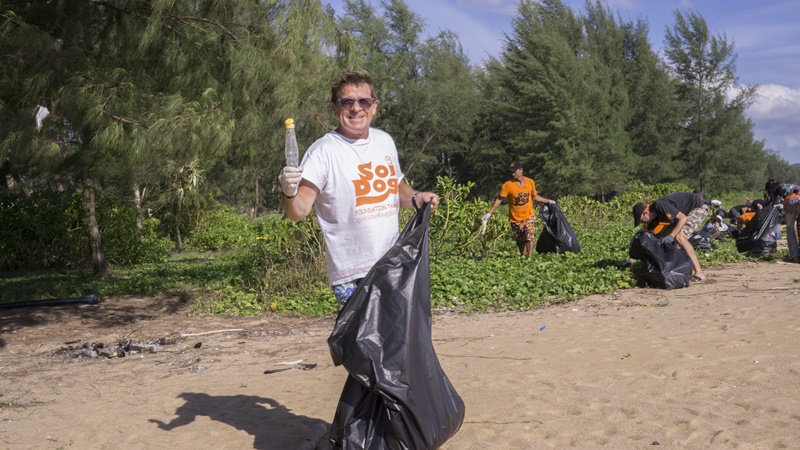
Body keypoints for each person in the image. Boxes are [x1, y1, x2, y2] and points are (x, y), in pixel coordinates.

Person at [278, 70, 439, 310]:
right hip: (351, 274)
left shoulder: (384, 141)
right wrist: (289, 191)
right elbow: (297, 212)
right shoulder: (323, 151)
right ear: (335, 107)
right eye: (347, 102)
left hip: (393, 264)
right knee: (359, 344)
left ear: (374, 106)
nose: (356, 109)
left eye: (364, 101)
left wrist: (416, 198)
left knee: (395, 341)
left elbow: (394, 188)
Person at [482, 161, 554, 257]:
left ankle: (530, 257)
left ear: (521, 170)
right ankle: (524, 257)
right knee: (520, 242)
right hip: (515, 219)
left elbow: (535, 196)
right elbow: (499, 199)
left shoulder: (530, 182)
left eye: (514, 171)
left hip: (529, 215)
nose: (512, 174)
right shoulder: (508, 185)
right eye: (511, 172)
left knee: (529, 236)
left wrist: (549, 201)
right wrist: (489, 213)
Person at [632, 192, 709, 281]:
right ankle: (679, 268)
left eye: (641, 220)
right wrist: (632, 259)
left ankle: (699, 273)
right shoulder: (652, 220)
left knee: (680, 237)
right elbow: (646, 240)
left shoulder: (660, 205)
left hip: (697, 207)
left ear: (645, 213)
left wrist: (672, 236)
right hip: (682, 214)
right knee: (665, 237)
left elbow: (683, 218)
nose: (642, 222)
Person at [765, 180, 800, 263]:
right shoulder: (788, 185)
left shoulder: (778, 190)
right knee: (798, 228)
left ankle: (795, 257)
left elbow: (774, 203)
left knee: (790, 229)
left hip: (791, 203)